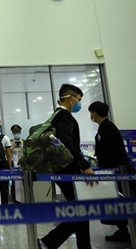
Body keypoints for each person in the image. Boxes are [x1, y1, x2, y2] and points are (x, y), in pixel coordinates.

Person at [38, 84, 95, 249]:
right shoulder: (64, 115)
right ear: (70, 98)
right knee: (81, 210)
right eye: (78, 99)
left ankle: (78, 246)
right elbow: (66, 141)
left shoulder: (56, 115)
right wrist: (84, 165)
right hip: (67, 169)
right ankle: (47, 242)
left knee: (80, 209)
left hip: (61, 168)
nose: (79, 103)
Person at [88, 101, 134, 242]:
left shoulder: (107, 128)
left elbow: (113, 152)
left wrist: (109, 170)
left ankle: (125, 231)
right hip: (113, 171)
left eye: (91, 113)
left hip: (116, 172)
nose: (91, 115)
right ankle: (123, 230)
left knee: (120, 200)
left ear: (94, 113)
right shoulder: (105, 127)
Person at [10, 124, 23, 203]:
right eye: (14, 132)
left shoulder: (24, 142)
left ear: (20, 132)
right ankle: (14, 199)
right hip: (13, 164)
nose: (16, 133)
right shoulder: (10, 142)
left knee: (22, 182)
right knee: (14, 183)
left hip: (22, 163)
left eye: (17, 131)